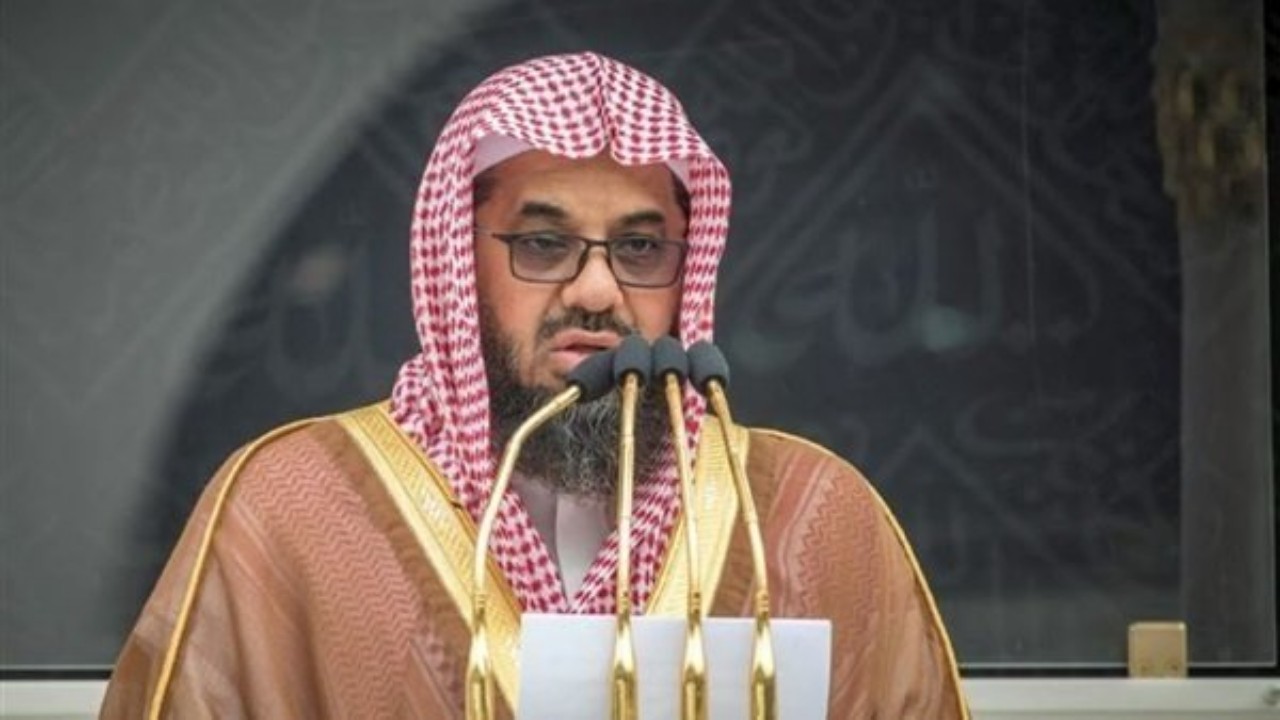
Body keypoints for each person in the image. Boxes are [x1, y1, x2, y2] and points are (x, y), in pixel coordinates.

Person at [101, 52, 968, 719]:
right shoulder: (292, 510)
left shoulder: (814, 516)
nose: (597, 291)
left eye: (639, 249)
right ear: (458, 262)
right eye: (544, 244)